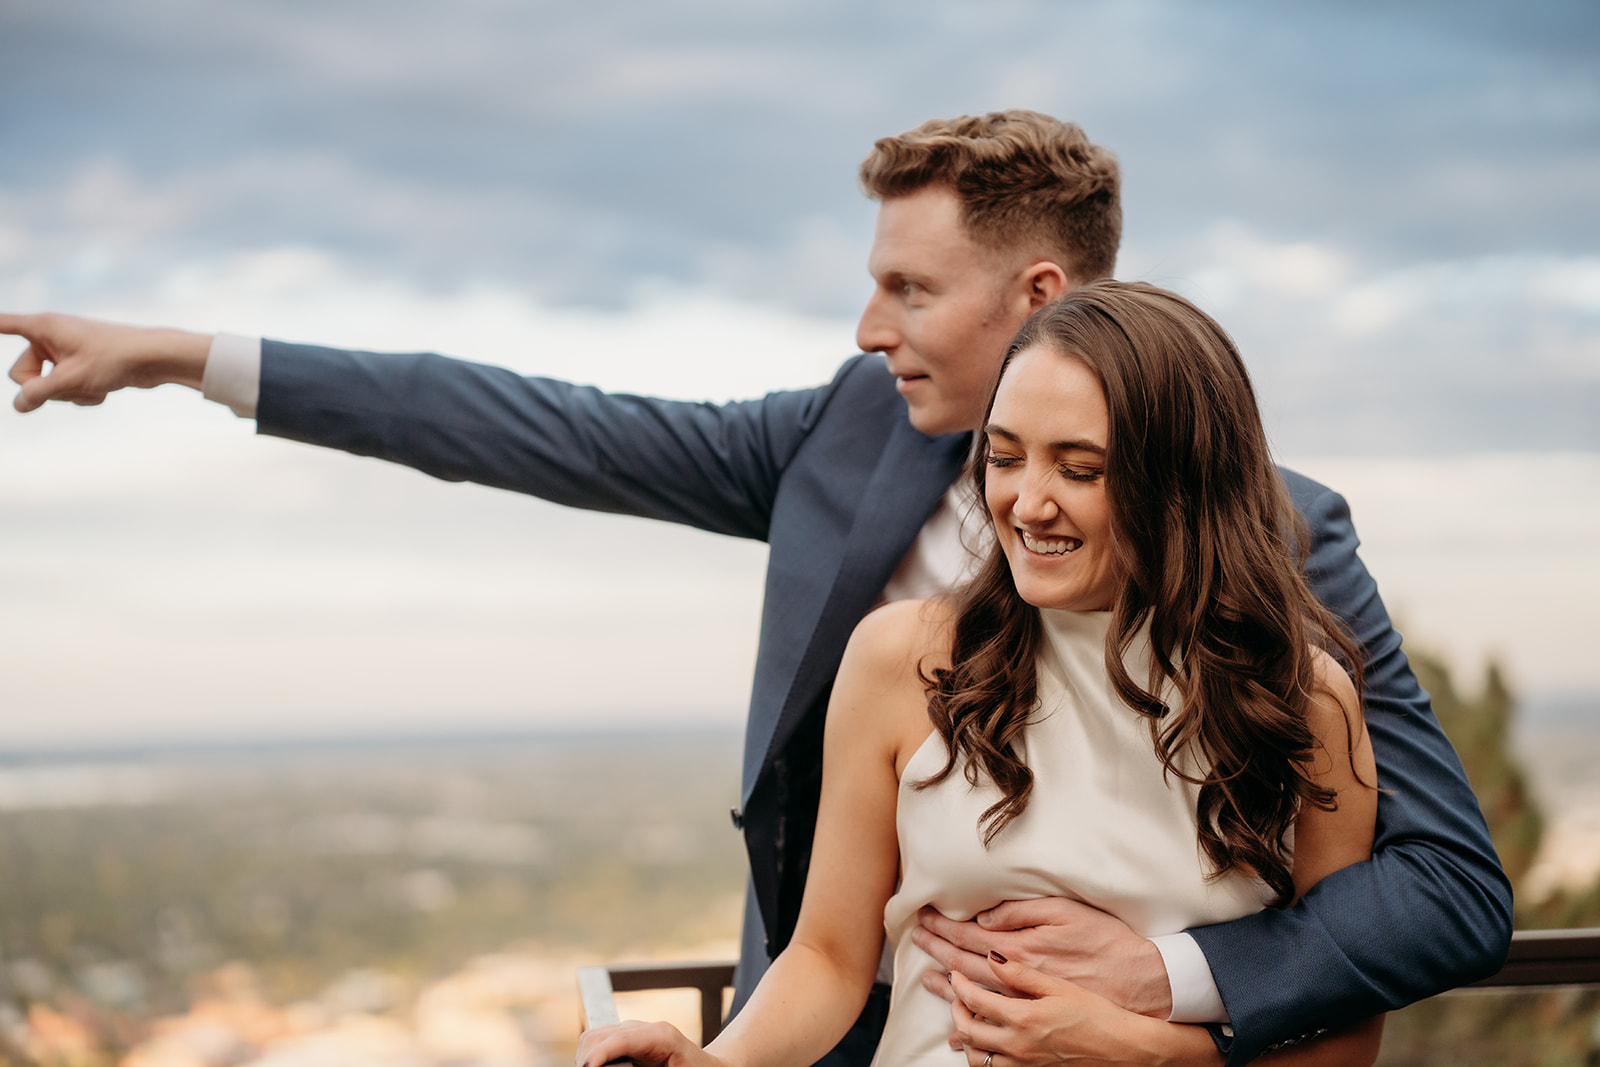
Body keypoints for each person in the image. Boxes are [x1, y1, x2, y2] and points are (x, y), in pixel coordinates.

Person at [2, 111, 1509, 1064]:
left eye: (910, 289)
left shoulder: (1283, 535)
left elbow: (1442, 890)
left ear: (1039, 295)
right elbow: (526, 424)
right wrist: (184, 356)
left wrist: (1160, 988)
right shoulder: (836, 451)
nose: (868, 328)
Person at [578, 280, 1387, 1067]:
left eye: (1078, 469)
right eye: (1005, 457)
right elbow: (827, 956)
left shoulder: (1307, 701)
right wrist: (718, 1061)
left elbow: (1344, 1028)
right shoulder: (900, 657)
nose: (1026, 504)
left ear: (1184, 483)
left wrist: (1147, 1050)